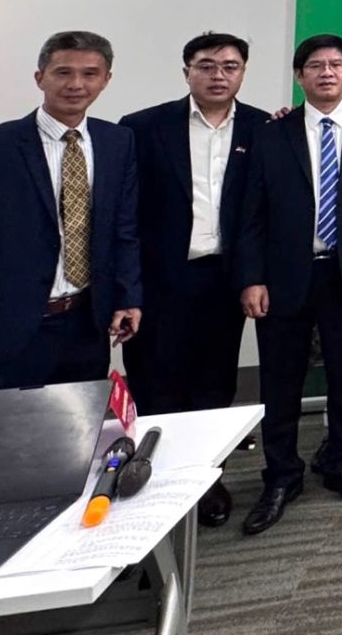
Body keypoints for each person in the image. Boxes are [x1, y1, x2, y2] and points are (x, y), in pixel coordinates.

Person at [236, 34, 342, 534]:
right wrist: (252, 278)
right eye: (316, 66)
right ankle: (281, 475)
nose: (327, 73)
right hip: (284, 277)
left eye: (336, 65)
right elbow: (251, 214)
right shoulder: (271, 134)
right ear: (299, 75)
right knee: (280, 382)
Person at [0, 31, 142, 391]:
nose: (76, 84)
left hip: (86, 326)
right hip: (8, 331)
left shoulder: (117, 142)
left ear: (106, 80)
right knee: (5, 428)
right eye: (63, 72)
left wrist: (128, 297)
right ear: (40, 77)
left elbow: (123, 230)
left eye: (90, 74)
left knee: (79, 424)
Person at [119, 32, 267, 527]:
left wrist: (252, 277)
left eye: (230, 66)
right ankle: (157, 483)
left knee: (214, 385)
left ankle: (206, 479)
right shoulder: (143, 128)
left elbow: (261, 212)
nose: (218, 75)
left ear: (242, 72)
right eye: (206, 65)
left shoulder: (262, 128)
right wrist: (127, 289)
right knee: (157, 384)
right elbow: (125, 216)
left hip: (224, 279)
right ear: (186, 72)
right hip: (161, 281)